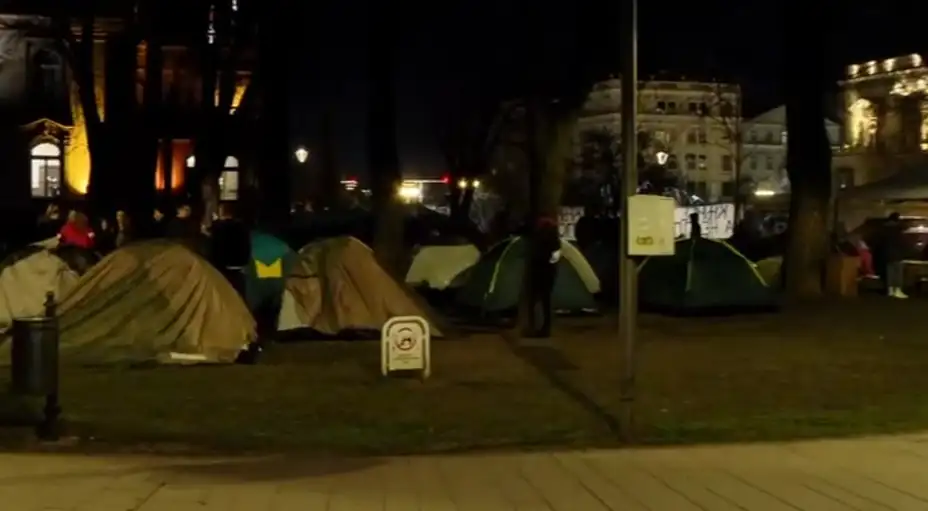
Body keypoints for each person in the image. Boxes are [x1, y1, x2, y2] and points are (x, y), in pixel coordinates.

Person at [528, 217, 562, 338]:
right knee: (545, 301)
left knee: (536, 299)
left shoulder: (539, 238)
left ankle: (538, 327)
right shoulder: (555, 239)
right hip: (549, 272)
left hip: (540, 271)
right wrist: (551, 264)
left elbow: (536, 255)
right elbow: (556, 256)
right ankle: (545, 327)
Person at [883, 212, 907, 299]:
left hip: (887, 253)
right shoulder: (898, 230)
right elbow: (902, 242)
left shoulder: (884, 229)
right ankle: (897, 290)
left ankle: (890, 290)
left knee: (890, 272)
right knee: (898, 272)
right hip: (897, 253)